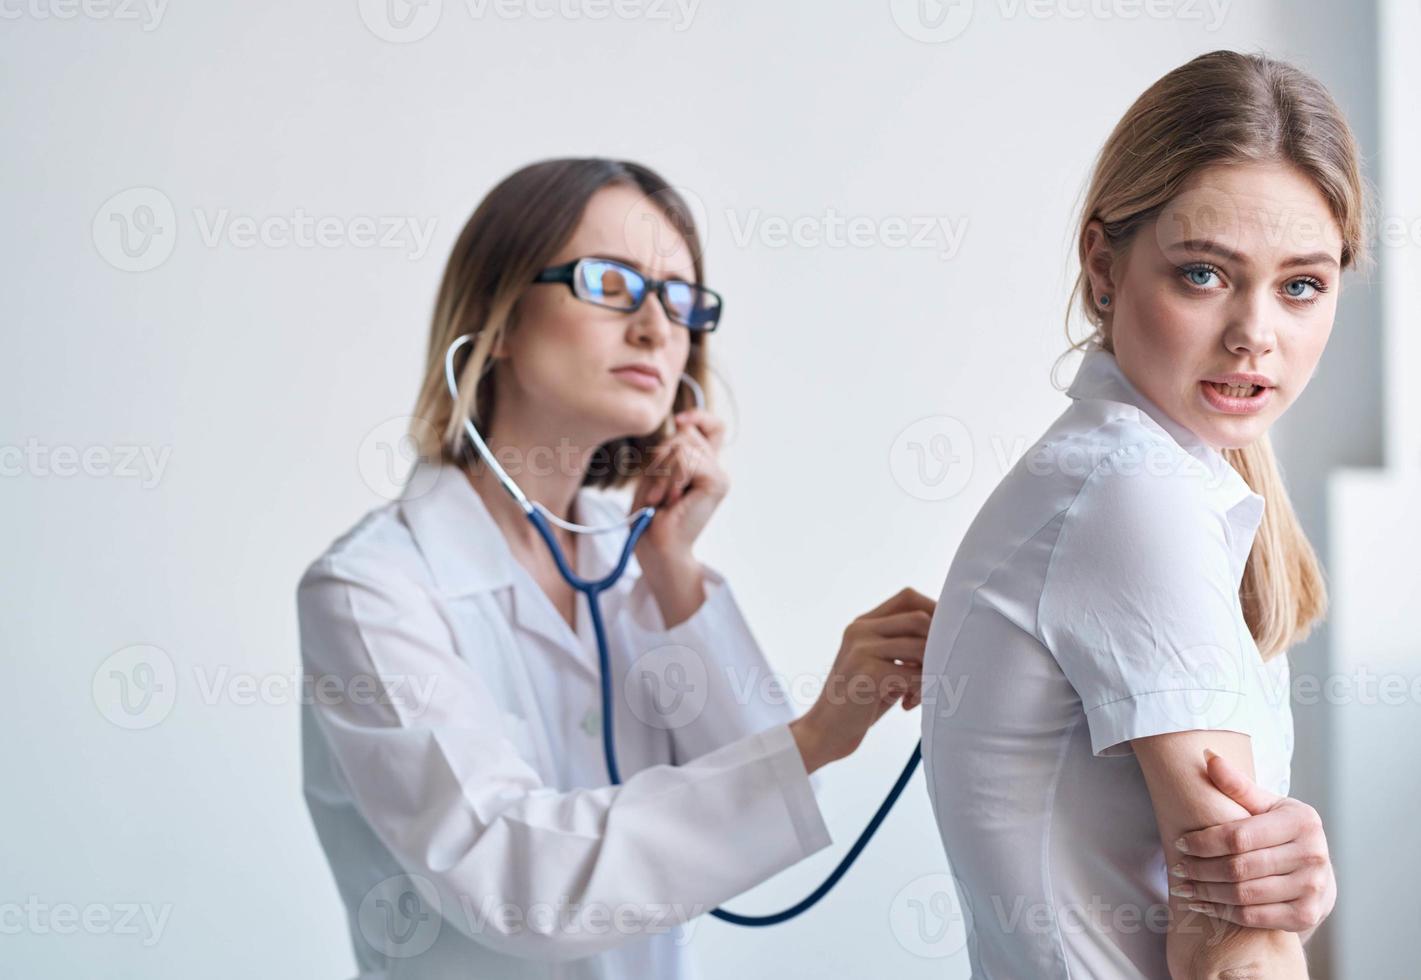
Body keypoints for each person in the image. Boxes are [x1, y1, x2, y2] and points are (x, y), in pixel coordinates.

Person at [297, 157, 933, 979]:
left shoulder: (631, 557)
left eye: (678, 299)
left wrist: (673, 566)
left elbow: (766, 789)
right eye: (609, 283)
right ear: (497, 317)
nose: (655, 328)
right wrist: (812, 736)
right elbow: (512, 880)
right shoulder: (372, 591)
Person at [921, 50, 1359, 978]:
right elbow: (1232, 937)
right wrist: (1269, 900)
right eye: (1203, 274)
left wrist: (1290, 881)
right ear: (1102, 265)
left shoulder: (1147, 481)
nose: (1254, 333)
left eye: (1301, 286)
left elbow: (1230, 890)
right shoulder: (1134, 499)